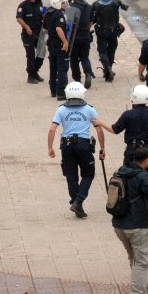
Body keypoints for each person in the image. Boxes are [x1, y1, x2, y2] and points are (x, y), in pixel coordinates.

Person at [112, 147, 148, 294]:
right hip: (136, 226)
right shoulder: (141, 175)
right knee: (141, 262)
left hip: (119, 224)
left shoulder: (121, 171)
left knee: (134, 259)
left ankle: (140, 292)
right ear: (146, 160)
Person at [47, 82, 105, 218]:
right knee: (88, 174)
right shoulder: (90, 109)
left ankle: (76, 202)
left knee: (71, 175)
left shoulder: (61, 109)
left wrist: (50, 147)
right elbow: (99, 130)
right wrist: (102, 148)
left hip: (66, 146)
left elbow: (52, 129)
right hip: (83, 145)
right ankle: (78, 201)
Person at [93, 85, 148, 175]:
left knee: (129, 179)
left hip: (133, 151)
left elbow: (114, 130)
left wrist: (101, 123)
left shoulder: (128, 114)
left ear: (133, 97)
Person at [91, 0, 129, 82]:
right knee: (111, 50)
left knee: (102, 51)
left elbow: (92, 18)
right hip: (113, 31)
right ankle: (110, 68)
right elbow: (126, 8)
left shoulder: (96, 4)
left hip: (101, 31)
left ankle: (107, 68)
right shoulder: (116, 1)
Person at [16, 0, 45, 84]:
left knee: (41, 54)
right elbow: (19, 18)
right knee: (31, 55)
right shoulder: (23, 5)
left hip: (39, 34)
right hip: (28, 35)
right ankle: (30, 76)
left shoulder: (40, 3)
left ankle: (35, 71)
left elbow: (43, 16)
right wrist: (27, 27)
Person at [67, 0, 95, 89]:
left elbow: (68, 23)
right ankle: (88, 74)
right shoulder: (88, 6)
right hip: (85, 36)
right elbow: (90, 22)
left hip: (73, 38)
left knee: (74, 59)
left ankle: (77, 80)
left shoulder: (70, 7)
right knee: (84, 57)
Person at [44, 0, 70, 100]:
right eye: (63, 3)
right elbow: (59, 29)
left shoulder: (48, 13)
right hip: (59, 45)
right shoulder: (59, 15)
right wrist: (65, 42)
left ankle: (53, 90)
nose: (65, 4)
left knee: (53, 68)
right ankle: (61, 93)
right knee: (62, 68)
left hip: (51, 44)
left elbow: (44, 29)